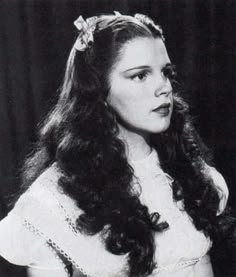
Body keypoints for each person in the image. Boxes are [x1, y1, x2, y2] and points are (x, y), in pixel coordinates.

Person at [0, 12, 230, 277]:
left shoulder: (190, 173)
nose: (164, 87)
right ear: (99, 90)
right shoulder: (54, 203)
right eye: (140, 75)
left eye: (165, 72)